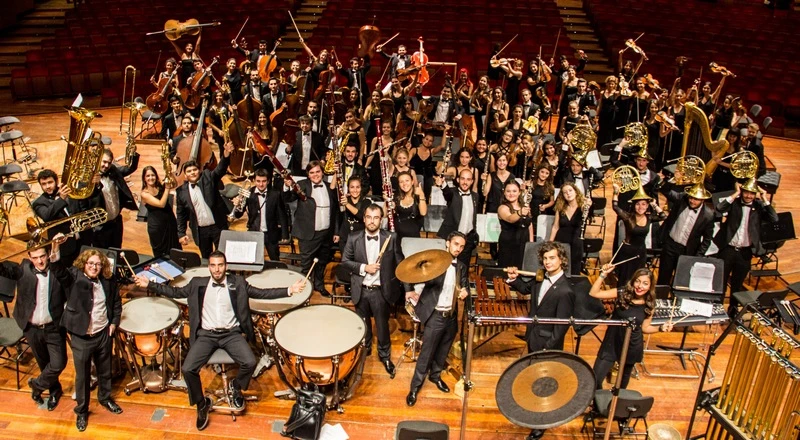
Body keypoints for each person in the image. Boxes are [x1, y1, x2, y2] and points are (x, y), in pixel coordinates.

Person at [135, 251, 305, 431]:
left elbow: (262, 293)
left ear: (226, 266)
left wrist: (290, 290)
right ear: (209, 267)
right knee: (187, 369)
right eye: (213, 265)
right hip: (206, 335)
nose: (217, 269)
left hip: (231, 334)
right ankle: (201, 404)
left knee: (249, 362)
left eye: (220, 265)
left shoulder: (238, 283)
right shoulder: (197, 284)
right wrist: (150, 284)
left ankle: (235, 387)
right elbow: (174, 292)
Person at [505, 241, 575, 440]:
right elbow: (526, 289)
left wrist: (548, 348)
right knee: (533, 380)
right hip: (533, 337)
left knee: (544, 385)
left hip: (547, 345)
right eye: (545, 258)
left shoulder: (566, 291)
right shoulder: (540, 277)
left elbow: (561, 327)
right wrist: (513, 279)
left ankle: (540, 424)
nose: (547, 262)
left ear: (562, 260)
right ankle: (531, 413)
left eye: (552, 258)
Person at [51, 248, 123, 432]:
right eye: (91, 263)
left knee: (104, 371)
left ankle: (105, 398)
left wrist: (114, 323)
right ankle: (82, 411)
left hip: (103, 333)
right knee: (82, 376)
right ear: (84, 264)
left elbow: (116, 302)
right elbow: (60, 272)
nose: (94, 267)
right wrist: (56, 252)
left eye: (98, 264)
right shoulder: (74, 277)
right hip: (82, 337)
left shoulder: (108, 280)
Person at [341, 204, 411, 377]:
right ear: (364, 218)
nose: (372, 221)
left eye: (376, 218)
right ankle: (364, 352)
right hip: (360, 289)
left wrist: (408, 290)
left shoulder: (391, 237)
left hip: (381, 291)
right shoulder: (353, 237)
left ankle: (385, 356)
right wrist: (364, 268)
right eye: (369, 217)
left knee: (382, 327)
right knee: (362, 325)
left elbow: (401, 265)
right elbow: (345, 261)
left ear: (381, 220)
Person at [0, 235, 67, 411]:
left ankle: (36, 385)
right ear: (29, 257)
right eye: (35, 257)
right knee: (44, 363)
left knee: (59, 363)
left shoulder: (58, 270)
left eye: (42, 256)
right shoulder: (23, 269)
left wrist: (56, 251)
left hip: (53, 327)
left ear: (48, 254)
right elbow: (4, 270)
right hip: (31, 328)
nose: (40, 261)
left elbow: (68, 281)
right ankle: (54, 391)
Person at [405, 231, 470, 407]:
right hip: (435, 315)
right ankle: (415, 387)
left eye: (462, 246)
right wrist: (408, 289)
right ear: (447, 243)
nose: (458, 249)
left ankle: (435, 376)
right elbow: (409, 269)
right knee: (426, 354)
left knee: (443, 351)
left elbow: (464, 284)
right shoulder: (434, 262)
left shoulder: (461, 266)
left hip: (451, 316)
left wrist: (465, 290)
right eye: (456, 244)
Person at [590, 266, 672, 389]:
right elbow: (594, 293)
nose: (640, 286)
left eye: (645, 283)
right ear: (633, 282)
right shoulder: (622, 292)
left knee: (621, 385)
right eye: (637, 281)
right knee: (595, 378)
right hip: (612, 341)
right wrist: (603, 275)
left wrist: (660, 328)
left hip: (632, 345)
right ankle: (597, 400)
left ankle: (615, 401)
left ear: (650, 286)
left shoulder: (649, 304)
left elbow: (645, 328)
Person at [714, 180, 777, 316]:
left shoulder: (759, 206)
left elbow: (774, 219)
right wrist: (735, 193)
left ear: (755, 194)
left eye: (752, 193)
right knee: (721, 281)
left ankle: (733, 309)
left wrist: (764, 198)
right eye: (746, 192)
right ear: (742, 192)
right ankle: (717, 309)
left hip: (745, 252)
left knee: (737, 284)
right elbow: (719, 208)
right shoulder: (734, 203)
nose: (748, 196)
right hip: (728, 249)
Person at [283, 161, 340, 297]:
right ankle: (303, 291)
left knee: (322, 262)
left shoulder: (330, 187)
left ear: (322, 172)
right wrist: (286, 187)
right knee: (306, 265)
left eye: (318, 171)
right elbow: (288, 198)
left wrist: (336, 231)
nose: (315, 175)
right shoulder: (302, 185)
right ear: (308, 175)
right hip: (308, 234)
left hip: (326, 233)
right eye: (312, 172)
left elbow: (336, 211)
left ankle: (319, 285)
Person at [175, 142, 233, 258]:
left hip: (218, 226)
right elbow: (181, 214)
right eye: (189, 171)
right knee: (206, 258)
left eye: (194, 170)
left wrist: (226, 155)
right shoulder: (181, 191)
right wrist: (181, 233)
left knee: (223, 256)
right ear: (185, 175)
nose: (192, 172)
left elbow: (220, 170)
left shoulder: (208, 178)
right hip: (200, 230)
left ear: (199, 171)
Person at [656, 180, 715, 286]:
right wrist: (672, 180)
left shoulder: (708, 215)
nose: (692, 201)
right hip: (670, 245)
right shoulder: (681, 199)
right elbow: (665, 190)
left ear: (702, 199)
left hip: (687, 252)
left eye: (696, 199)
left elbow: (707, 239)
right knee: (663, 279)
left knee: (680, 282)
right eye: (691, 197)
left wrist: (697, 256)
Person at [32, 169, 93, 266]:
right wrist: (61, 199)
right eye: (43, 184)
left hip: (83, 240)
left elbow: (83, 207)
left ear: (56, 181)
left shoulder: (70, 192)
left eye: (50, 182)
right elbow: (47, 216)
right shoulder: (39, 202)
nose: (47, 186)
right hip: (65, 247)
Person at [611, 184, 666, 286]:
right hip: (627, 252)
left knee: (637, 277)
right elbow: (615, 207)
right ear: (634, 205)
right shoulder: (628, 217)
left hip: (641, 252)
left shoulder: (649, 218)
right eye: (638, 204)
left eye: (644, 204)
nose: (641, 207)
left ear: (647, 206)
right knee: (624, 278)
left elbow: (663, 216)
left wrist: (654, 205)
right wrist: (615, 192)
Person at [232, 168, 289, 261]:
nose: (261, 184)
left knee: (275, 260)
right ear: (254, 181)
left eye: (264, 181)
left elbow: (282, 214)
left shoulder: (275, 194)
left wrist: (285, 234)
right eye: (258, 181)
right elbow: (238, 215)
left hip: (271, 233)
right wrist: (237, 205)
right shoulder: (248, 193)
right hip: (254, 232)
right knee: (253, 260)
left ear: (268, 181)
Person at [91, 148, 139, 249]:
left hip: (116, 223)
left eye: (109, 163)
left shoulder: (113, 170)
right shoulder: (90, 178)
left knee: (117, 251)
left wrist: (132, 154)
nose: (106, 165)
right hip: (101, 227)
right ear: (97, 160)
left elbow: (129, 169)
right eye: (104, 162)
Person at [435, 169, 479, 265]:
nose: (465, 182)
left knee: (463, 268)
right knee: (446, 265)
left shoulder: (475, 196)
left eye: (468, 179)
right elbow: (447, 193)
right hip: (452, 238)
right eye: (463, 179)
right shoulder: (452, 193)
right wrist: (443, 184)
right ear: (458, 180)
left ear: (472, 181)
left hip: (467, 240)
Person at [140, 166, 181, 258]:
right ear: (144, 178)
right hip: (157, 227)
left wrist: (169, 173)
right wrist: (167, 189)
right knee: (162, 255)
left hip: (170, 223)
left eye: (153, 175)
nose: (151, 178)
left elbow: (174, 184)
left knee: (176, 250)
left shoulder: (160, 187)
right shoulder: (144, 194)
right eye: (148, 176)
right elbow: (161, 204)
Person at [550, 182, 587, 274]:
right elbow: (555, 227)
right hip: (561, 242)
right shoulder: (560, 207)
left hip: (576, 242)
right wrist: (550, 243)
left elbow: (587, 211)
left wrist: (588, 205)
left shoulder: (583, 207)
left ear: (576, 192)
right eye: (565, 192)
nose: (568, 193)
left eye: (570, 190)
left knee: (574, 269)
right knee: (560, 269)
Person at [497, 181, 532, 268]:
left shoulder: (524, 206)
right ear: (504, 192)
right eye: (508, 191)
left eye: (514, 191)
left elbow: (529, 224)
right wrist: (520, 213)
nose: (511, 194)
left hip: (524, 242)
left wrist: (531, 244)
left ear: (519, 192)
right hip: (509, 244)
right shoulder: (502, 208)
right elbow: (510, 219)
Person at [338, 176, 371, 250]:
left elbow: (361, 215)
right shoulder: (344, 200)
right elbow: (338, 217)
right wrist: (336, 233)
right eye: (352, 187)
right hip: (345, 237)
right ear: (348, 188)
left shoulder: (366, 202)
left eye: (357, 187)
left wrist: (347, 204)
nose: (355, 190)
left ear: (361, 188)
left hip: (360, 237)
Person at [393, 171, 427, 244]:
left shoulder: (418, 196)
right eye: (401, 182)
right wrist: (387, 201)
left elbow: (423, 212)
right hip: (397, 236)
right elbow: (385, 215)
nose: (404, 184)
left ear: (412, 182)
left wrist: (421, 195)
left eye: (407, 181)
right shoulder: (396, 197)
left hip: (413, 237)